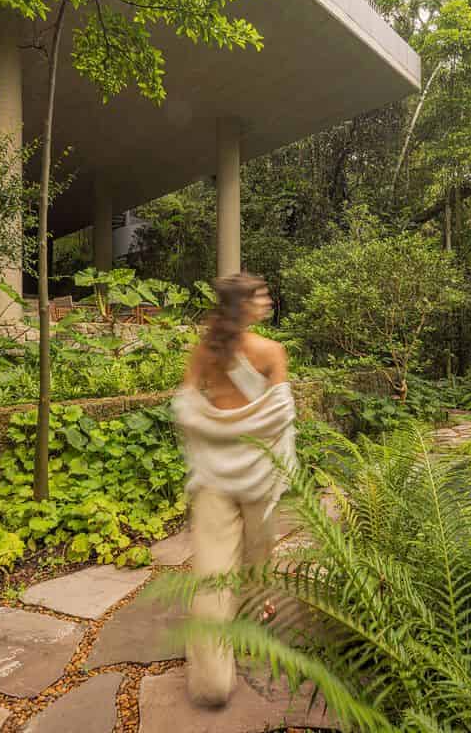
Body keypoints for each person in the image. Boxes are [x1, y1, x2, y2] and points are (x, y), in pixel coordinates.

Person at [173, 272, 296, 708]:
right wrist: (246, 432)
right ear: (242, 306)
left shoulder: (204, 351)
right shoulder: (271, 352)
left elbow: (185, 406)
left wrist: (217, 429)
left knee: (212, 573)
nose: (266, 300)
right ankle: (254, 607)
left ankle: (211, 681)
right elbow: (280, 415)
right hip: (259, 473)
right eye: (259, 295)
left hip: (214, 473)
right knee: (258, 553)